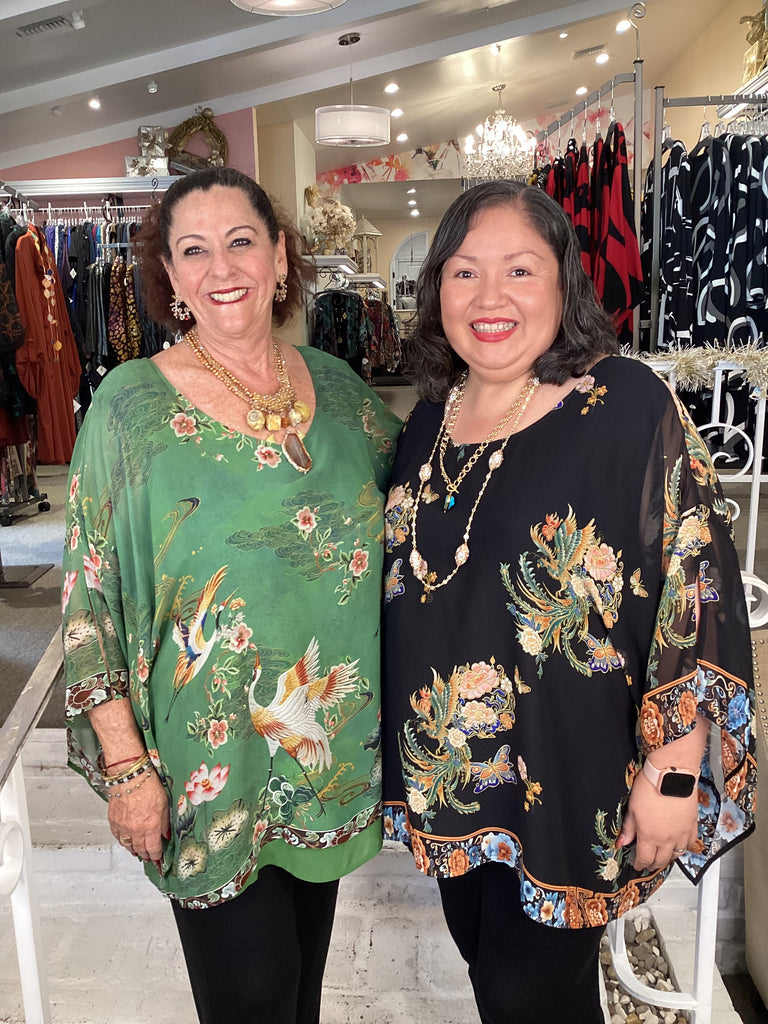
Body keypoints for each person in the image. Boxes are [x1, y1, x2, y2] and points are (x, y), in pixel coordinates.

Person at [381, 180, 756, 1024]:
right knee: (493, 970)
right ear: (437, 288)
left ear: (564, 282)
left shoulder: (626, 405)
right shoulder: (431, 415)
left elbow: (694, 592)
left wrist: (673, 771)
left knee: (525, 995)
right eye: (465, 272)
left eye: (520, 270)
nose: (490, 298)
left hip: (574, 772)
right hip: (457, 775)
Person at [61, 166, 401, 1024]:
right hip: (205, 769)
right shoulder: (129, 408)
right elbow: (89, 597)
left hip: (321, 756)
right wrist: (127, 767)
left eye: (241, 241)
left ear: (280, 257)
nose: (222, 268)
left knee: (301, 984)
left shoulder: (342, 392)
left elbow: (430, 511)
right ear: (169, 277)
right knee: (249, 996)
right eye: (194, 251)